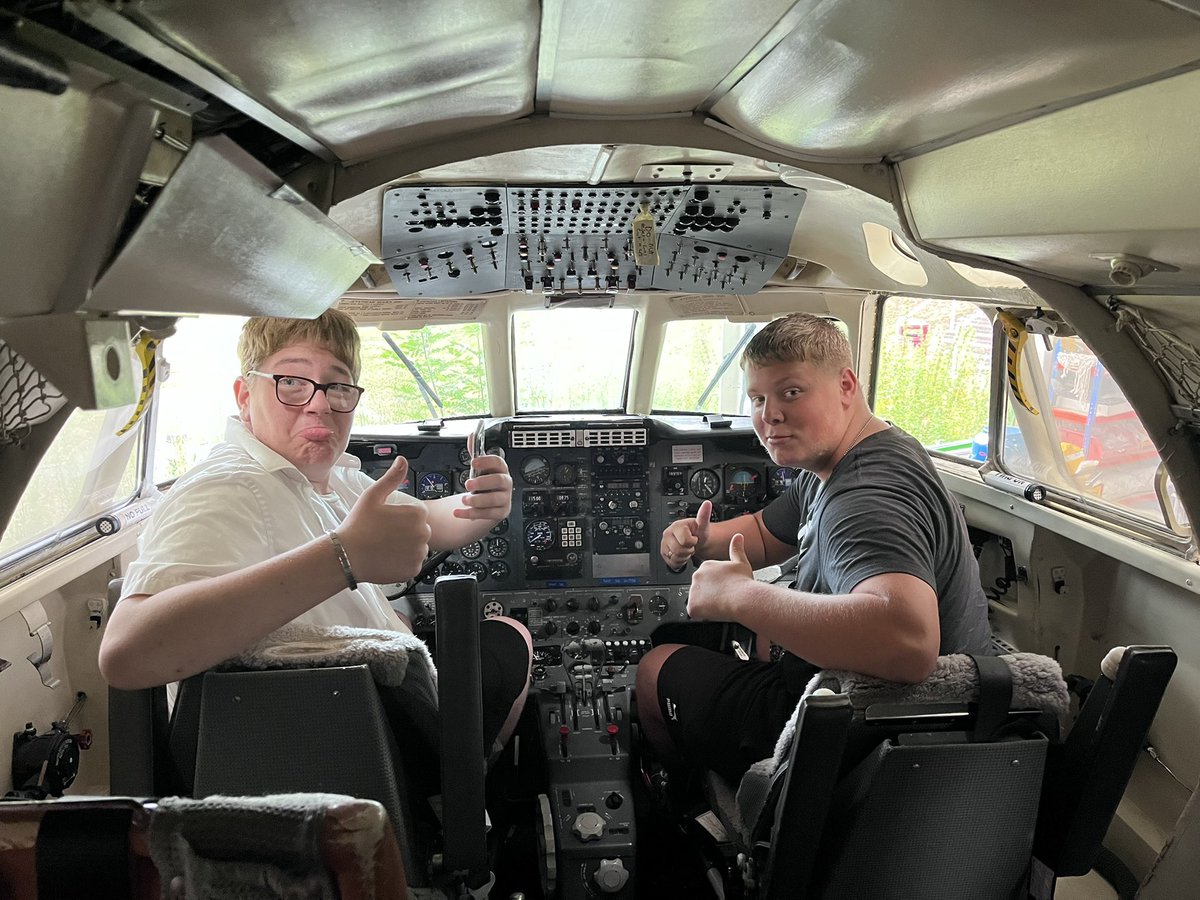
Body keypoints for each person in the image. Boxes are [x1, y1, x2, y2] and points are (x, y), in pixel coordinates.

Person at [99, 308, 531, 754]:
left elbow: (420, 520)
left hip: (356, 708)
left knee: (431, 625)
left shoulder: (334, 479)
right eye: (291, 382)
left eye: (338, 386)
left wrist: (481, 505)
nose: (320, 403)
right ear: (245, 396)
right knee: (510, 637)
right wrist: (344, 557)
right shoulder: (227, 487)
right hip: (328, 746)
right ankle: (462, 801)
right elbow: (128, 653)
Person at [637, 313, 992, 783]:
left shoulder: (865, 498)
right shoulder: (851, 457)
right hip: (903, 711)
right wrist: (702, 540)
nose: (770, 415)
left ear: (846, 385)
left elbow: (908, 643)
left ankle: (691, 800)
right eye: (758, 398)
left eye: (791, 392)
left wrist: (740, 598)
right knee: (701, 638)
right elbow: (764, 534)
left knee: (654, 665)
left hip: (862, 732)